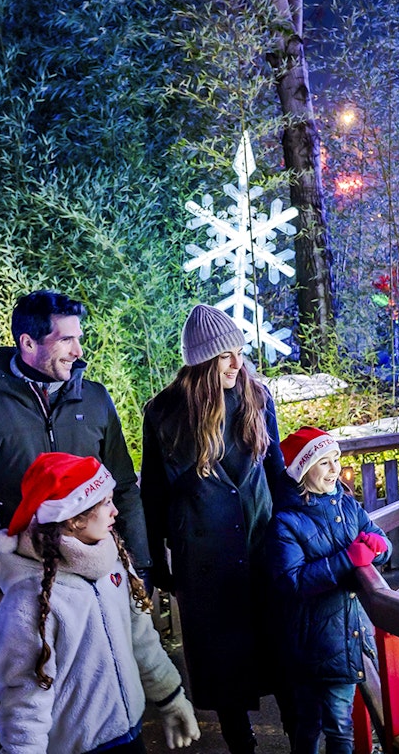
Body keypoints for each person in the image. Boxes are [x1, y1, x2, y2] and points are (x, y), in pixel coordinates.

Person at [0, 290, 148, 666]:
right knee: (33, 696)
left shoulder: (95, 399)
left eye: (78, 337)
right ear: (27, 342)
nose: (78, 350)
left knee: (109, 686)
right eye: (66, 339)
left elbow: (124, 486)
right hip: (21, 587)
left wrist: (139, 565)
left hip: (97, 574)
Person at [141, 304, 295, 754]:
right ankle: (240, 746)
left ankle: (298, 736)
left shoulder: (256, 397)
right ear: (202, 360)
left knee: (280, 654)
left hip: (261, 546)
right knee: (223, 665)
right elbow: (153, 493)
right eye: (225, 355)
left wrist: (293, 538)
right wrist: (156, 562)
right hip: (204, 559)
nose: (236, 363)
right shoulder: (165, 413)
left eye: (239, 352)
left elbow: (277, 473)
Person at [0, 452, 200, 753]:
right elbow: (25, 694)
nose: (115, 512)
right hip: (79, 747)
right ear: (74, 518)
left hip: (129, 734)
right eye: (106, 503)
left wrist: (171, 698)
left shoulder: (113, 565)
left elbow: (142, 641)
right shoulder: (29, 599)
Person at [266, 427, 391, 754]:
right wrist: (347, 559)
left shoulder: (347, 506)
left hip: (347, 635)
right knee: (314, 724)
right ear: (303, 470)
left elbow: (377, 536)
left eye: (336, 459)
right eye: (324, 462)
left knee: (337, 723)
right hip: (311, 641)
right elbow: (291, 581)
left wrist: (382, 546)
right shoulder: (286, 522)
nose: (336, 469)